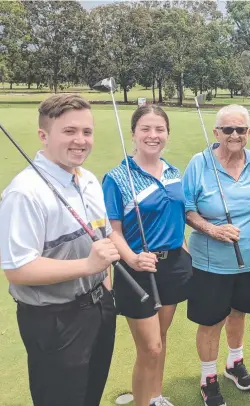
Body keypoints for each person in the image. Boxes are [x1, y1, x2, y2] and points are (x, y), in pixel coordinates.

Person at [0, 94, 118, 406]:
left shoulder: (89, 179)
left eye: (87, 132)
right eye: (69, 131)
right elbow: (17, 268)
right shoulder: (24, 193)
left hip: (98, 306)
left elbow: (101, 239)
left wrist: (104, 288)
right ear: (44, 135)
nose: (81, 140)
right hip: (54, 320)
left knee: (91, 393)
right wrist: (88, 266)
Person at [102, 105, 192, 406]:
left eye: (159, 130)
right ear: (133, 134)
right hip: (137, 270)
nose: (153, 135)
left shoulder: (172, 172)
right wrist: (131, 258)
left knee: (161, 338)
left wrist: (183, 246)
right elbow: (112, 231)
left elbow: (177, 217)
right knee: (150, 347)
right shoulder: (117, 178)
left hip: (173, 266)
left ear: (167, 134)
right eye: (146, 129)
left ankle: (155, 396)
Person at [182, 104, 250, 406]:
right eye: (227, 129)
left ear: (249, 133)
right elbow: (187, 209)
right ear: (216, 132)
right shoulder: (199, 163)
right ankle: (208, 378)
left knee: (238, 312)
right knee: (211, 322)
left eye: (240, 129)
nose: (234, 135)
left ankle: (234, 363)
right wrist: (212, 230)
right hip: (211, 264)